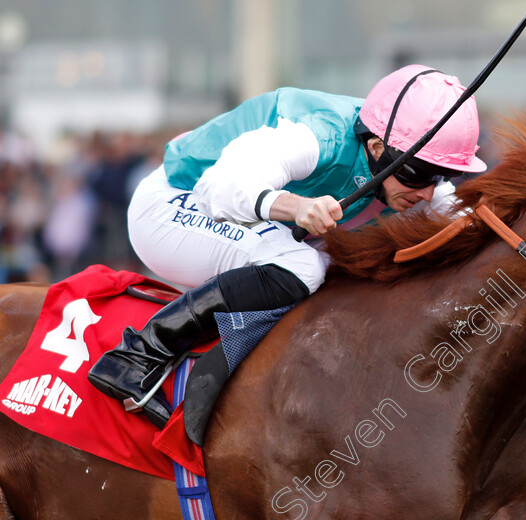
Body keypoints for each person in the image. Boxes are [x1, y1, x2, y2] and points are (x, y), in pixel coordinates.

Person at [87, 65, 487, 428]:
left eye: (444, 175)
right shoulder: (318, 137)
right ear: (379, 148)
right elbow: (221, 191)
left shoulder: (400, 156)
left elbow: (468, 222)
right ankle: (139, 354)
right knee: (305, 265)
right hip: (173, 205)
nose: (429, 191)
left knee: (335, 267)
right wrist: (296, 206)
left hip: (232, 215)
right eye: (420, 174)